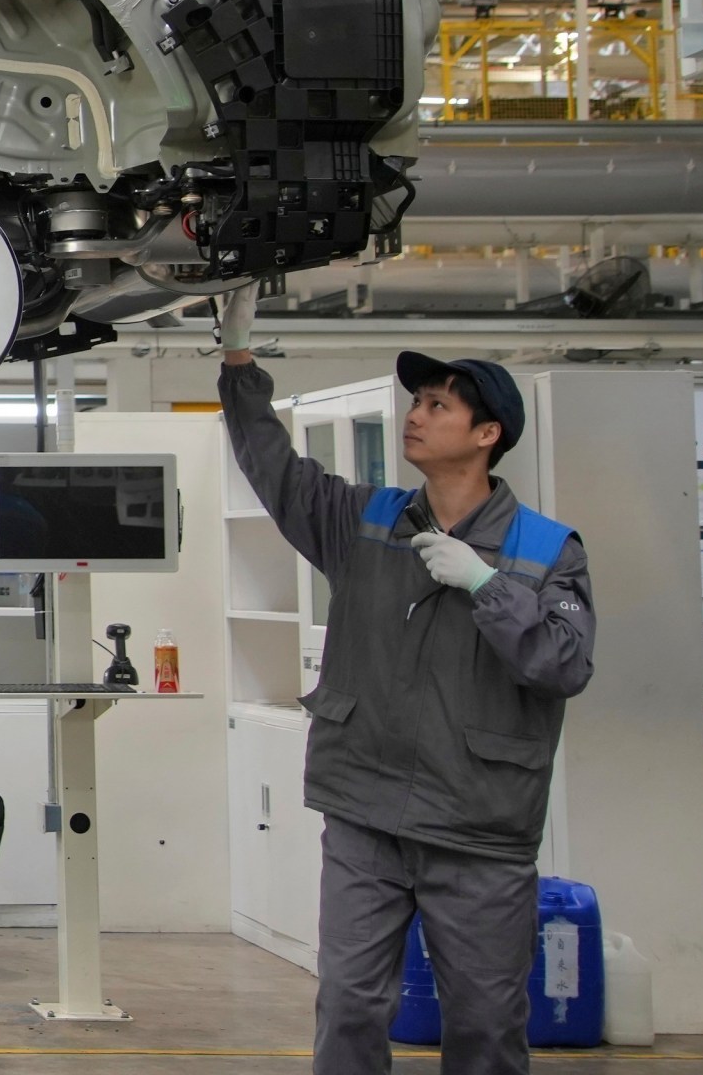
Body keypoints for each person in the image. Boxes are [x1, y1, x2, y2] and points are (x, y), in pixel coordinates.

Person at [216, 287, 593, 1075]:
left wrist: (488, 585)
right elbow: (275, 469)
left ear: (487, 434)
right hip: (368, 811)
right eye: (415, 401)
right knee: (350, 1004)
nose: (414, 415)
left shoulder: (546, 549)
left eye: (436, 405)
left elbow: (563, 665)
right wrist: (239, 359)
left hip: (479, 828)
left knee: (486, 1023)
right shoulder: (366, 521)